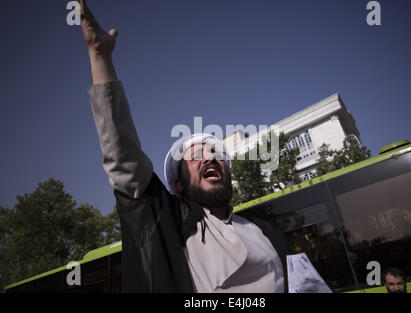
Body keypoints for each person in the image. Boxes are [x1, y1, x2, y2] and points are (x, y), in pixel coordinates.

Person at [76, 0, 292, 292]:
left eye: (216, 154)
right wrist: (99, 57)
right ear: (179, 184)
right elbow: (122, 155)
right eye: (196, 156)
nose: (210, 159)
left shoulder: (265, 233)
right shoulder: (169, 225)